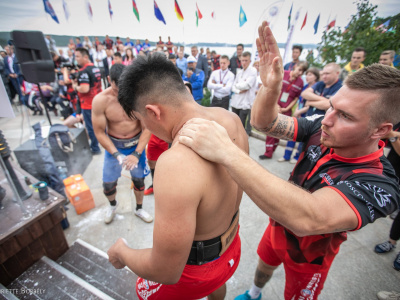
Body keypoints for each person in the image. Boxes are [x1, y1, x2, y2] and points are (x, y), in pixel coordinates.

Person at [178, 22, 400, 300]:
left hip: (310, 255)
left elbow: (308, 218)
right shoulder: (323, 125)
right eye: (331, 106)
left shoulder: (381, 182)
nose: (327, 120)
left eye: (345, 116)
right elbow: (264, 122)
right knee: (263, 264)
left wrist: (226, 151)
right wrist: (270, 88)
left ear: (381, 130)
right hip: (276, 229)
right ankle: (255, 292)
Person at [107, 52, 249, 300]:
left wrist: (122, 252)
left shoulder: (175, 163)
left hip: (197, 272)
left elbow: (166, 270)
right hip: (231, 250)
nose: (147, 130)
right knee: (217, 286)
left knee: (143, 292)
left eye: (142, 120)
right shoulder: (231, 119)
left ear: (153, 112)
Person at [92, 64, 153, 224]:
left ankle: (139, 209)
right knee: (108, 185)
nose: (121, 95)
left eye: (125, 88)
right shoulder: (101, 101)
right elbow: (99, 132)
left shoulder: (139, 98)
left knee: (139, 181)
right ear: (109, 81)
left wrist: (137, 153)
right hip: (114, 146)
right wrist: (116, 154)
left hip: (136, 145)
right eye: (117, 89)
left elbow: (147, 128)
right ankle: (112, 205)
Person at [259, 61, 308, 160]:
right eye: (299, 69)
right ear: (295, 67)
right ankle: (268, 152)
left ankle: (273, 149)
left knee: (280, 130)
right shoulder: (283, 74)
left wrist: (287, 108)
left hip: (286, 109)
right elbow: (273, 88)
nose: (300, 73)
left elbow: (296, 98)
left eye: (302, 72)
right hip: (275, 106)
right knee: (270, 129)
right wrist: (275, 104)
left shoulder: (300, 82)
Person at [281, 67, 320, 163]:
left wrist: (299, 112)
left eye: (310, 75)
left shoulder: (317, 90)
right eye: (307, 74)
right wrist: (297, 110)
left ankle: (296, 157)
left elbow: (309, 104)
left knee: (303, 139)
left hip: (307, 115)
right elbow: (300, 100)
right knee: (292, 134)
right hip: (299, 114)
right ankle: (286, 156)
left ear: (316, 77)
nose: (307, 76)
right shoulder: (305, 87)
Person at [72, 47, 102, 154]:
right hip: (98, 101)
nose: (76, 59)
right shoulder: (95, 68)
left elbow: (85, 89)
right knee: (101, 125)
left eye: (78, 56)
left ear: (85, 57)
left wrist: (75, 87)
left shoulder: (84, 71)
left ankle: (95, 148)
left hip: (88, 104)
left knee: (91, 128)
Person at [230, 51, 257, 130]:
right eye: (242, 60)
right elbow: (232, 86)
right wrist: (238, 90)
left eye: (246, 60)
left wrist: (237, 86)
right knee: (234, 123)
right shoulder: (239, 72)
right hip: (236, 102)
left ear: (250, 61)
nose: (244, 62)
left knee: (241, 124)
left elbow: (247, 85)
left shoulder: (253, 71)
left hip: (245, 103)